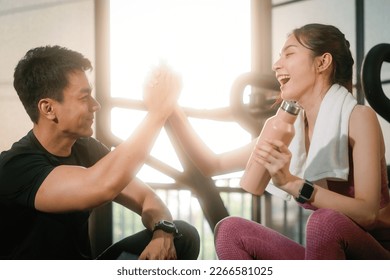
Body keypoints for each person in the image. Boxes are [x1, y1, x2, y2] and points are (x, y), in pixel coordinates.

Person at [167, 23, 390, 259]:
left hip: (376, 255)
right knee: (230, 230)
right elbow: (213, 164)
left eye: (289, 53)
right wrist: (170, 109)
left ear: (322, 63)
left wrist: (293, 184)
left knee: (325, 222)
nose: (276, 65)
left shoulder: (359, 117)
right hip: (328, 258)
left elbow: (367, 213)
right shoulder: (287, 128)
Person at [0, 45, 200, 260]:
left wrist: (163, 231)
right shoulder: (14, 166)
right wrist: (158, 112)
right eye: (84, 98)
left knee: (183, 235)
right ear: (48, 109)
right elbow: (98, 185)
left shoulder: (87, 148)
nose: (95, 105)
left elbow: (146, 197)